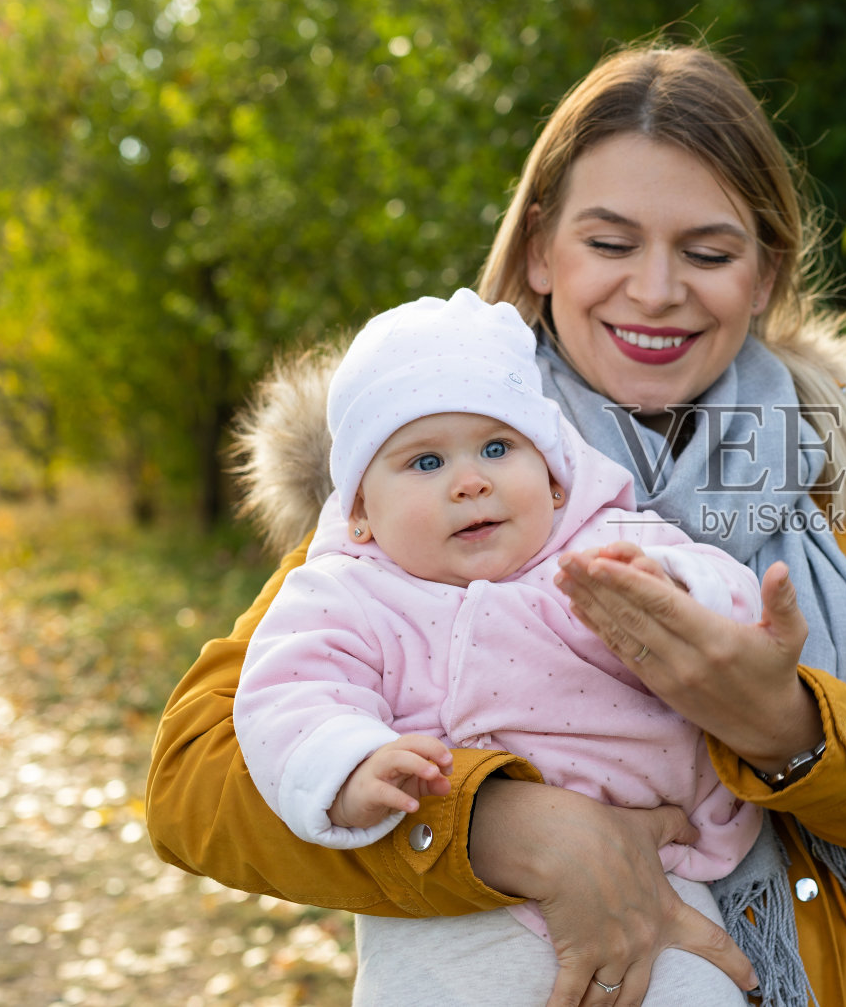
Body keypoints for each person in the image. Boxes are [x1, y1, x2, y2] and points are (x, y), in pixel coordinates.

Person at [147, 41, 846, 1007]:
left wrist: (784, 724)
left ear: (763, 275)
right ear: (542, 249)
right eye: (611, 243)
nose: (657, 289)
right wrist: (507, 827)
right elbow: (194, 778)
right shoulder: (435, 471)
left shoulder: (819, 474)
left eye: (709, 252)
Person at [233, 289, 765, 1004]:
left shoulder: (608, 548)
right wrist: (350, 760)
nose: (471, 479)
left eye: (496, 446)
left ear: (551, 476)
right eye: (425, 462)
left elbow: (730, 594)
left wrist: (672, 591)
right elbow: (287, 691)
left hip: (651, 879)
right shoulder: (349, 594)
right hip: (452, 911)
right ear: (360, 510)